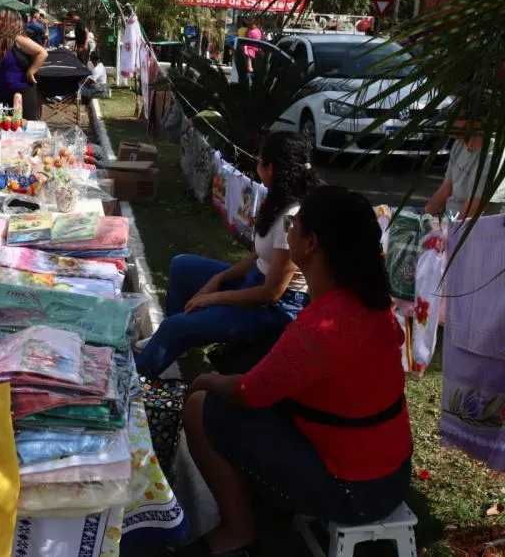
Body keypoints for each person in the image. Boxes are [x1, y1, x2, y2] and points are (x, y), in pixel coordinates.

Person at [177, 185, 412, 557]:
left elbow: (248, 393)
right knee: (244, 372)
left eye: (293, 224)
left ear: (311, 243)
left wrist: (203, 379)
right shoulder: (373, 305)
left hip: (355, 491)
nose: (287, 233)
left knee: (201, 405)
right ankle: (267, 499)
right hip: (394, 476)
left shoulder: (322, 327)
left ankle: (238, 532)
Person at [135, 132, 319, 376]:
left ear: (271, 168)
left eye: (259, 159)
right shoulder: (277, 200)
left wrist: (212, 298)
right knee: (181, 266)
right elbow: (260, 257)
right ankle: (174, 344)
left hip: (276, 309)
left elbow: (271, 294)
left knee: (174, 327)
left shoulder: (292, 219)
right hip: (256, 281)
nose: (256, 164)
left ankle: (128, 392)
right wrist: (218, 280)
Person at [424, 115, 505, 219]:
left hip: (474, 229)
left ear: (476, 122)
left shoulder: (494, 159)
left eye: (456, 113)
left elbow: (471, 213)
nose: (448, 118)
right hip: (449, 221)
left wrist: (445, 232)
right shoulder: (459, 144)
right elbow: (445, 189)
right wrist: (423, 220)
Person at [0, 9, 47, 121]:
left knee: (23, 133)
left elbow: (42, 53)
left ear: (12, 22)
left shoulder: (18, 39)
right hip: (1, 95)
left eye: (1, 18)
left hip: (21, 95)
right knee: (3, 133)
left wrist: (31, 71)